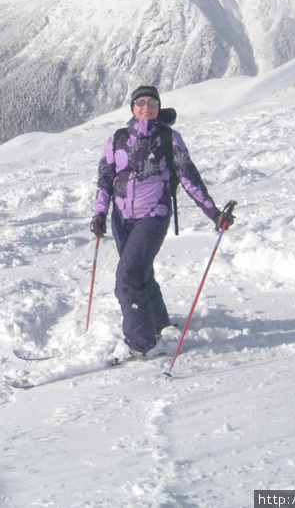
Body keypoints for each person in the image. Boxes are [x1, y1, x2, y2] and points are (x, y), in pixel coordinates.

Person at [91, 85, 234, 361]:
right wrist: (99, 213)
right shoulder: (118, 138)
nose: (146, 107)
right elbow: (105, 178)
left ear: (158, 107)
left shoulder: (169, 138)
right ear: (132, 107)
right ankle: (158, 323)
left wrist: (214, 213)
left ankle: (140, 342)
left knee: (127, 278)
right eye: (141, 102)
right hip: (122, 219)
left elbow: (190, 179)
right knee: (140, 272)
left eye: (152, 103)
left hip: (153, 217)